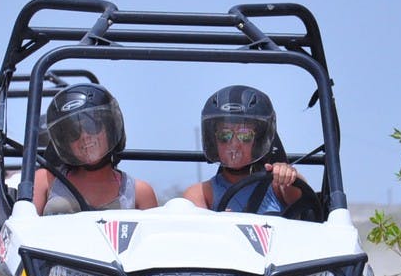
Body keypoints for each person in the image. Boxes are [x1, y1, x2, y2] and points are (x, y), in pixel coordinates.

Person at [32, 83, 157, 214]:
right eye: (73, 132)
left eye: (92, 126)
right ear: (65, 142)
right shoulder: (45, 180)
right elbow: (25, 227)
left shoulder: (140, 192)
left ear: (109, 129)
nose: (85, 136)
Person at [182, 85, 302, 212]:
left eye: (244, 135)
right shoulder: (202, 193)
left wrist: (288, 175)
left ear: (258, 140)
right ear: (214, 140)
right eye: (224, 135)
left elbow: (306, 205)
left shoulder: (278, 185)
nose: (234, 144)